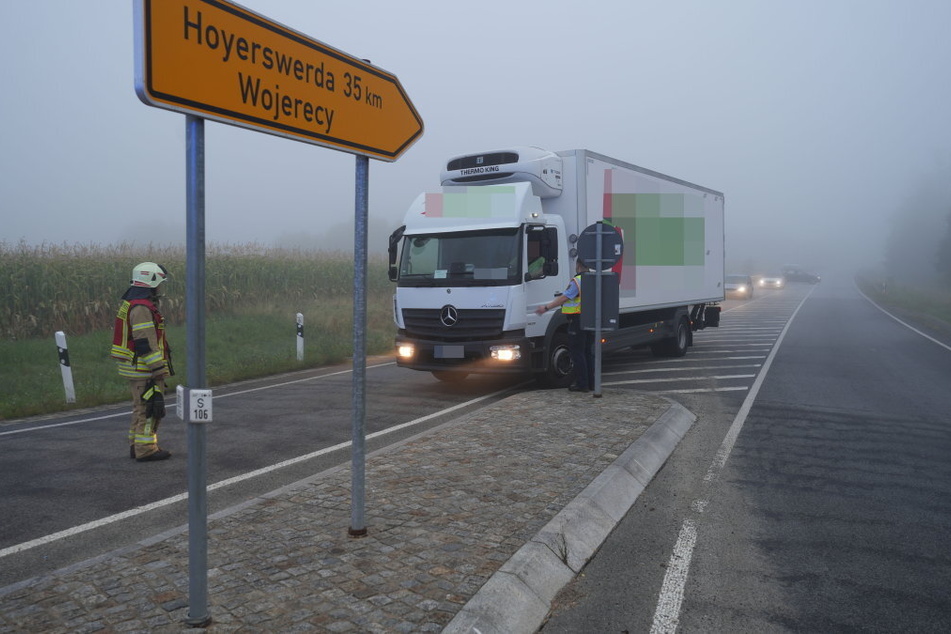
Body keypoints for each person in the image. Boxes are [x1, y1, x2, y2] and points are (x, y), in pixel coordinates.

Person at [110, 262, 174, 462]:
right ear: (152, 282)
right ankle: (146, 449)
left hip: (136, 366)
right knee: (149, 408)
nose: (160, 288)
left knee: (140, 407)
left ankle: (136, 446)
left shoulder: (133, 303)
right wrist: (158, 367)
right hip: (144, 368)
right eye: (159, 283)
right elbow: (144, 341)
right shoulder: (142, 307)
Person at [535, 259, 594, 392]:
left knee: (578, 353)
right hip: (590, 320)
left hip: (577, 320)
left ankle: (582, 384)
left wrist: (546, 307)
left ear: (578, 265)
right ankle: (591, 383)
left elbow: (565, 297)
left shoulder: (577, 281)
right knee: (587, 353)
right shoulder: (593, 279)